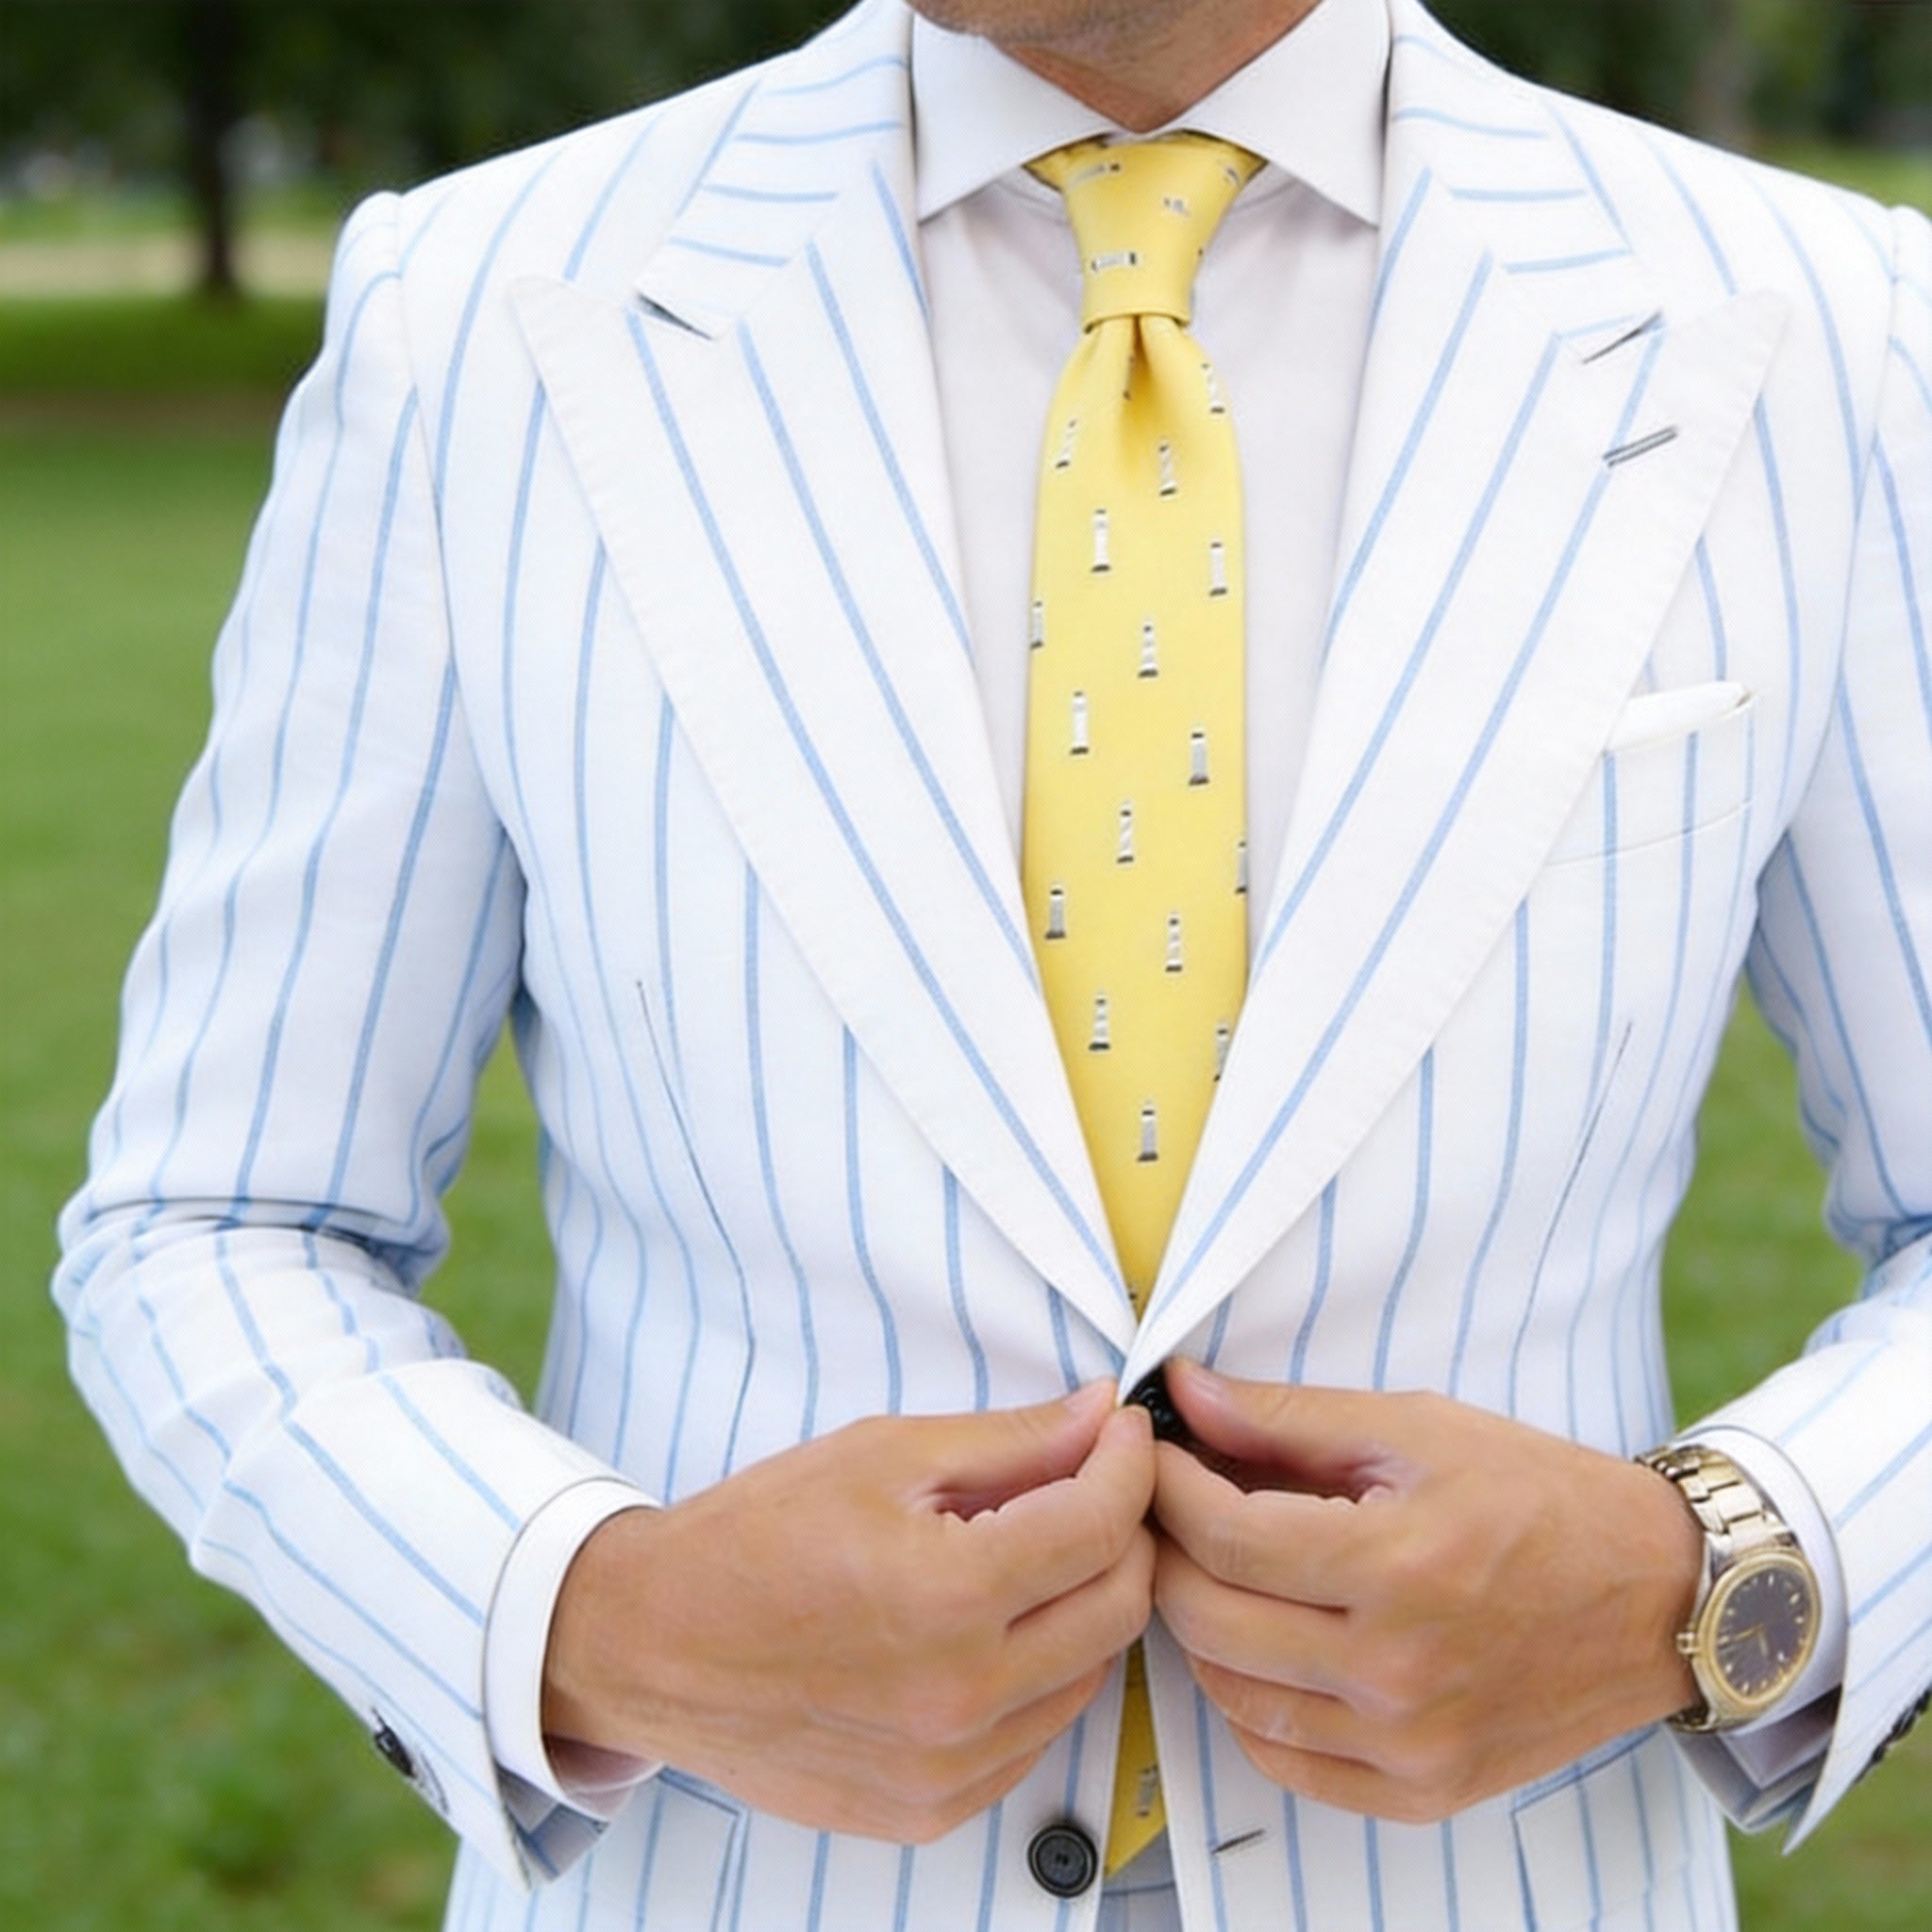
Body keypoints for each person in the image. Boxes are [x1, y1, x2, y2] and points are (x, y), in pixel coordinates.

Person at [53, 0, 1932, 1925]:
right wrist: (602, 1620)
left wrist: (1712, 1574)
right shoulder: (476, 311)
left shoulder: (1824, 324)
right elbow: (217, 1220)